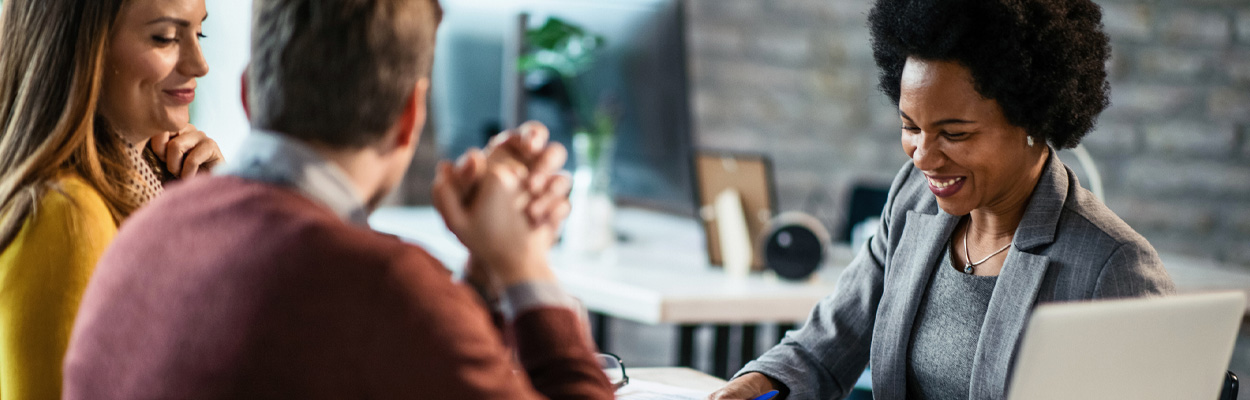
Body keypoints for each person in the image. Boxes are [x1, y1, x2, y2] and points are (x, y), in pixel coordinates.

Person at [62, 0, 614, 399]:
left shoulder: (146, 228)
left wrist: (485, 281)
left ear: (249, 93)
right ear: (409, 117)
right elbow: (387, 321)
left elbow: (410, 362)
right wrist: (523, 266)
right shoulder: (384, 285)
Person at [710, 0, 1175, 399]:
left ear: (1032, 118)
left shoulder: (1112, 266)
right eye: (910, 127)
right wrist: (756, 382)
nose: (924, 157)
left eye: (954, 133)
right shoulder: (913, 202)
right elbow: (825, 346)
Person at [0, 0, 223, 397]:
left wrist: (212, 208)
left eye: (199, 33)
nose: (199, 63)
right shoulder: (66, 216)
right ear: (82, 49)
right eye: (166, 37)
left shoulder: (158, 182)